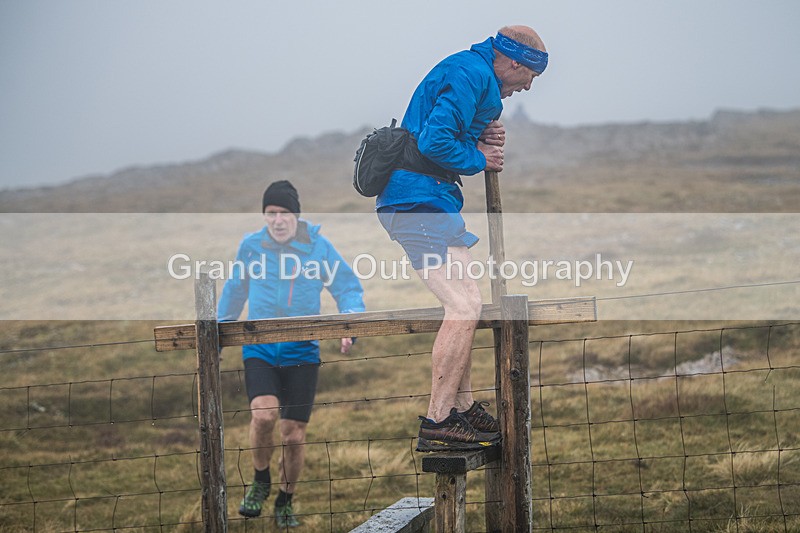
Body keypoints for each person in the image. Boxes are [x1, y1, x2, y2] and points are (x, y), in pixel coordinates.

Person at [375, 26, 548, 452]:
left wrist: (480, 135)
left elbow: (444, 130)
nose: (527, 87)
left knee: (468, 299)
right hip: (416, 201)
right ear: (513, 62)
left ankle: (463, 406)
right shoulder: (470, 74)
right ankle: (438, 421)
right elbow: (434, 141)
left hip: (433, 200)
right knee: (463, 304)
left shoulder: (477, 76)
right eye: (530, 76)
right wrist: (480, 156)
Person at [218, 180, 365, 526]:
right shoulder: (251, 247)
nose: (278, 219)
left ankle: (285, 499)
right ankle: (260, 480)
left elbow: (346, 287)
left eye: (284, 212)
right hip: (261, 350)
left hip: (303, 351)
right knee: (264, 416)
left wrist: (349, 325)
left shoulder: (318, 247)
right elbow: (235, 289)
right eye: (271, 213)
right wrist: (220, 329)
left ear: (296, 215)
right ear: (265, 216)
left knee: (293, 432)